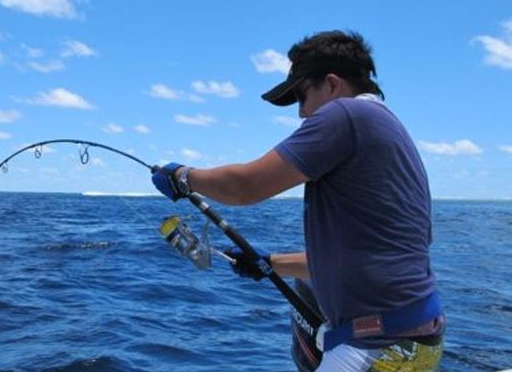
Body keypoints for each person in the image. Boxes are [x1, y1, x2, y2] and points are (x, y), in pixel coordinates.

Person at [152, 30, 445, 371]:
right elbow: (364, 256)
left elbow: (245, 186)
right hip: (410, 338)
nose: (302, 114)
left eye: (303, 96)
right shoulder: (387, 128)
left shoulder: (347, 115)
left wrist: (184, 177)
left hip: (379, 345)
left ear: (333, 84)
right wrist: (271, 263)